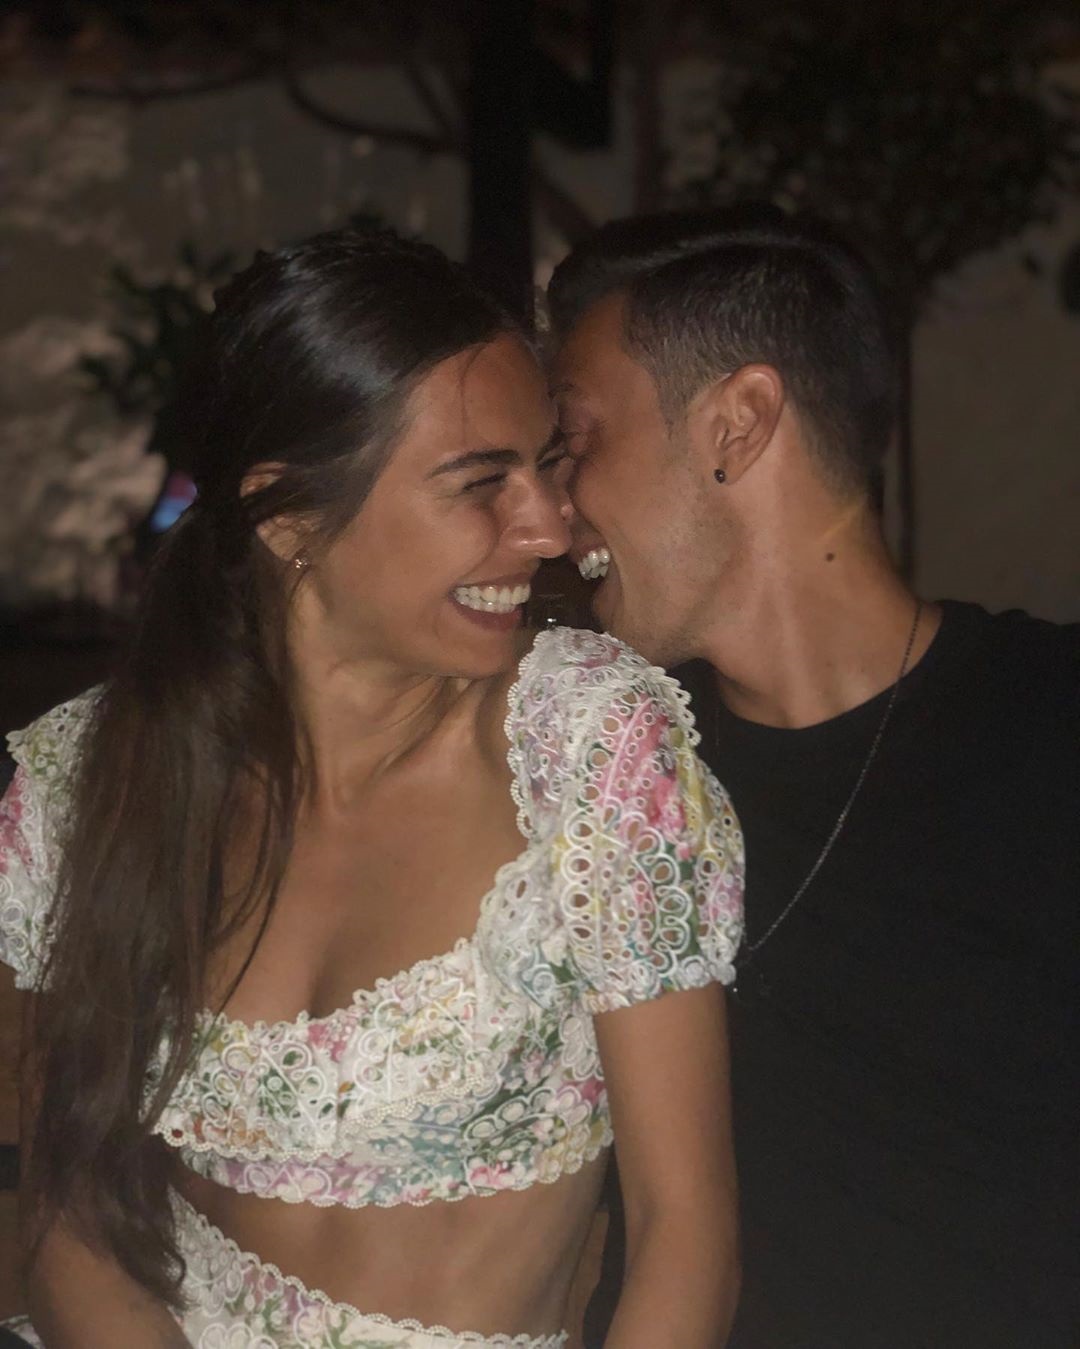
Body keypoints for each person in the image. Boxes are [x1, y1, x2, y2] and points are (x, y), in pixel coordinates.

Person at [0, 228, 744, 1349]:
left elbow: (687, 1234)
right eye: (481, 481)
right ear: (289, 515)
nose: (548, 524)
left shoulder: (589, 749)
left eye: (546, 463)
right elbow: (67, 1210)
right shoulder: (92, 777)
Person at [547, 207, 1080, 1348]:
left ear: (737, 423)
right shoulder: (611, 775)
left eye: (580, 439)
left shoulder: (1050, 726)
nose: (554, 506)